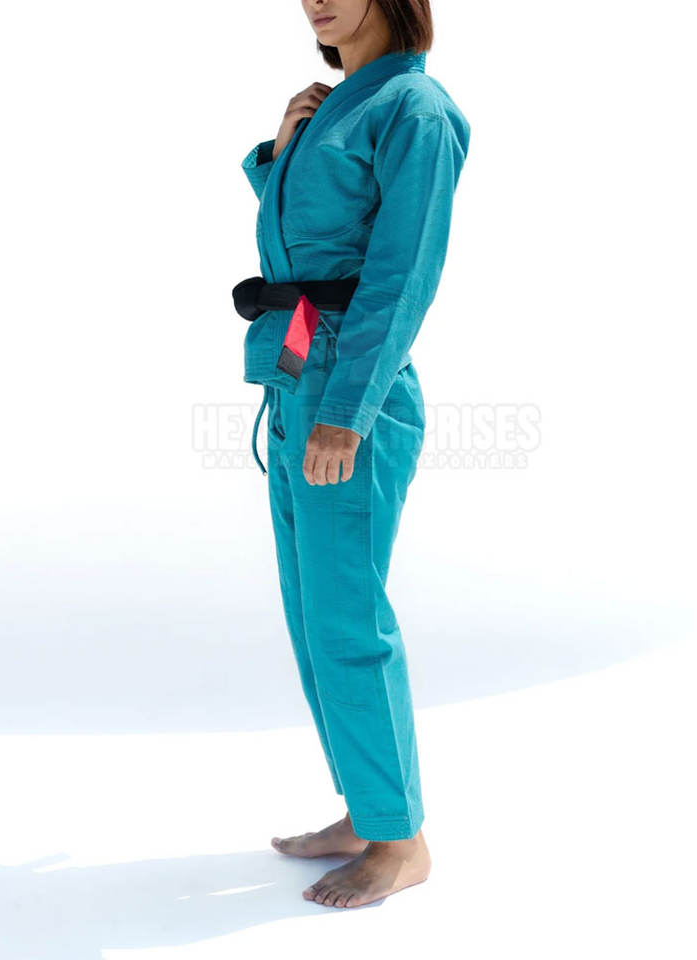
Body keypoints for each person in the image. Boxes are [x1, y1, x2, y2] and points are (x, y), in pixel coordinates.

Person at [238, 0, 469, 908]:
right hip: (294, 375)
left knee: (347, 622)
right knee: (311, 617)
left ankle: (401, 842)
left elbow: (401, 276)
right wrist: (279, 152)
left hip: (349, 394)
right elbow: (304, 242)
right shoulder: (333, 105)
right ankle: (368, 810)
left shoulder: (417, 111)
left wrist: (347, 410)